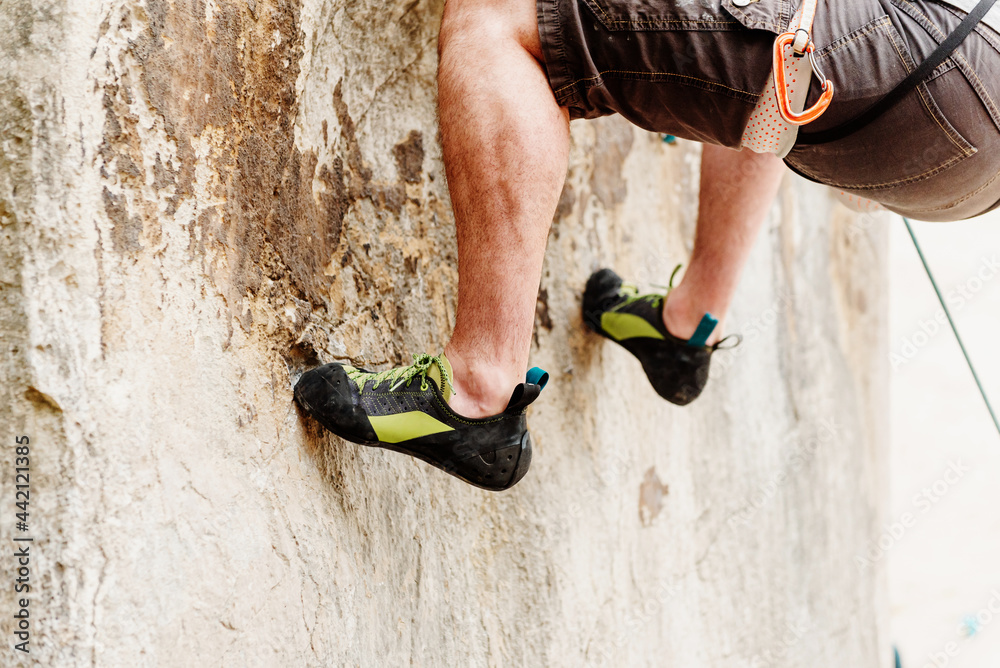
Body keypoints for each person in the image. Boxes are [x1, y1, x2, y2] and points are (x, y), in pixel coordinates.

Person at [294, 0, 1000, 490]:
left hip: (934, 59)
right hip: (966, 157)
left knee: (503, 16)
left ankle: (475, 392)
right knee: (775, 67)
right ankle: (684, 327)